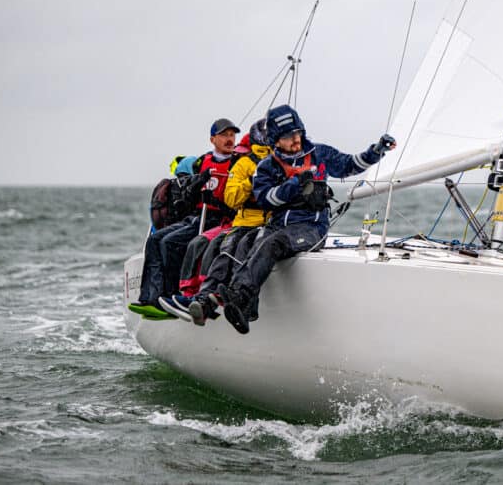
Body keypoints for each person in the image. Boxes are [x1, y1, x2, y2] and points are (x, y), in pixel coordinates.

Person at [189, 104, 395, 333]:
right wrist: (294, 184)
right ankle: (227, 303)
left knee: (271, 244)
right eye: (288, 137)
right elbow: (265, 198)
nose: (295, 140)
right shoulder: (267, 167)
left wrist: (377, 150)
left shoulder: (319, 154)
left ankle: (241, 298)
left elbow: (350, 165)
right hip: (277, 224)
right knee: (246, 242)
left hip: (311, 228)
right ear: (275, 140)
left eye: (298, 133)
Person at [129, 117, 240, 316]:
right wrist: (196, 184)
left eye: (232, 135)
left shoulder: (237, 162)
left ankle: (171, 297)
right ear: (213, 139)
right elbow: (189, 196)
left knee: (170, 243)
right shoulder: (203, 162)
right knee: (155, 240)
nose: (229, 139)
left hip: (218, 219)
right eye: (224, 135)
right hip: (197, 216)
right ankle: (151, 297)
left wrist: (214, 201)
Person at [184, 118, 273, 325]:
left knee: (242, 248)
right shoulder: (244, 163)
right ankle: (204, 299)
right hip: (243, 221)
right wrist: (251, 182)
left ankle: (243, 304)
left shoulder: (283, 162)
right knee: (224, 247)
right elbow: (231, 198)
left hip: (269, 224)